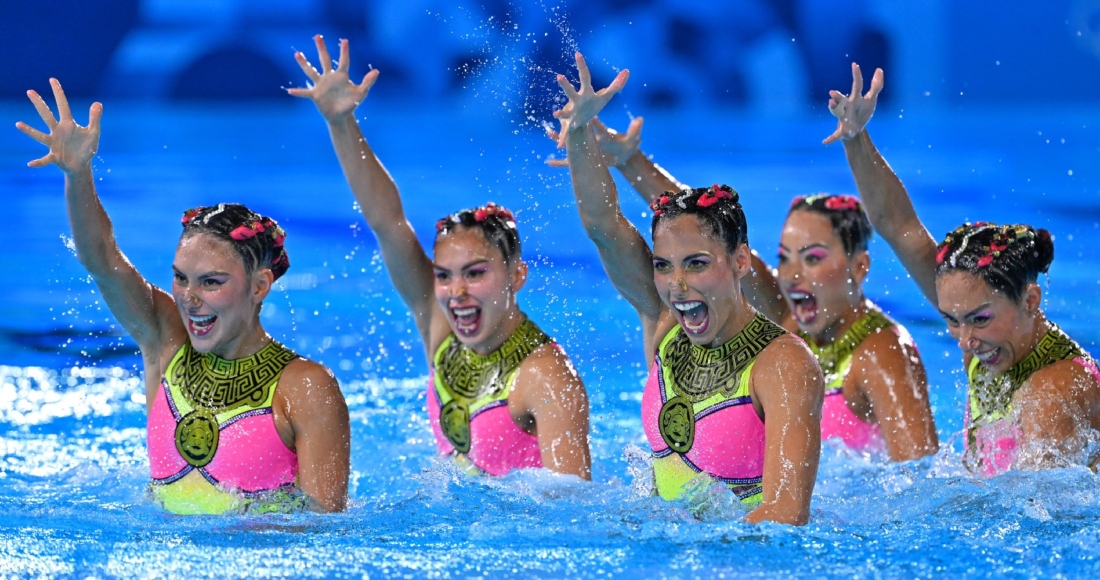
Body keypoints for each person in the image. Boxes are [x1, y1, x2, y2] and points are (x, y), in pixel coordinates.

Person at [16, 80, 350, 514]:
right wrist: (78, 174)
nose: (190, 298)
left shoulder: (306, 387)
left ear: (260, 286)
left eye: (211, 282)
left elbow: (325, 530)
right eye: (180, 278)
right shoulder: (165, 342)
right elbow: (102, 261)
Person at [547, 117, 939, 461]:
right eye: (785, 258)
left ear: (859, 267)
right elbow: (699, 234)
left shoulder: (882, 352)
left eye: (813, 258)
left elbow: (917, 476)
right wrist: (631, 161)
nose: (792, 275)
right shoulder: (787, 323)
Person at [289, 36, 591, 479]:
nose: (457, 292)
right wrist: (342, 123)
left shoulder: (547, 378)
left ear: (517, 275)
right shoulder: (440, 324)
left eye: (476, 273)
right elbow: (387, 222)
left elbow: (576, 511)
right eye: (445, 276)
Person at [554, 52, 822, 525]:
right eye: (663, 266)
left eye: (696, 265)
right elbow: (602, 226)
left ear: (739, 261)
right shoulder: (663, 326)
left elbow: (785, 514)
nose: (677, 286)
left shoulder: (784, 364)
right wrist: (579, 131)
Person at [825, 63, 1100, 474]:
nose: (964, 342)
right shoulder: (995, 338)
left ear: (1030, 299)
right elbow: (898, 227)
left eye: (978, 320)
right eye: (951, 321)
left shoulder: (1053, 391)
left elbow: (1037, 519)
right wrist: (855, 138)